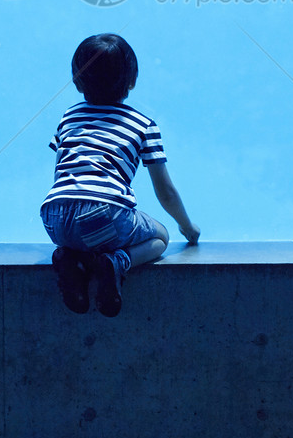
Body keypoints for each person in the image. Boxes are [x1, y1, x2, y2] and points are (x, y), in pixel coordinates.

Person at [41, 33, 200, 317]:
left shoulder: (68, 117)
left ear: (77, 81)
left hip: (54, 218)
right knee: (160, 237)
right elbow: (166, 192)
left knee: (84, 234)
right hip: (104, 214)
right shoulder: (143, 125)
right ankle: (116, 263)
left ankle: (69, 260)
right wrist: (187, 227)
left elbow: (59, 169)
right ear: (132, 81)